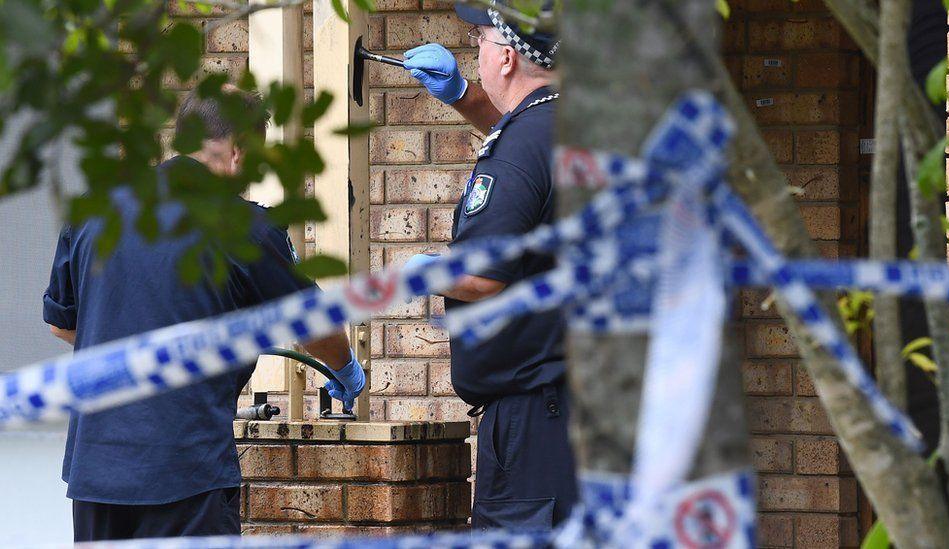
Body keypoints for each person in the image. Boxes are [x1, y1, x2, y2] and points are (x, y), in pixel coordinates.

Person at [43, 85, 365, 542]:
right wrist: (346, 369)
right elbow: (314, 326)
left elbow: (62, 323)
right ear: (237, 152)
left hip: (98, 473)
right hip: (186, 472)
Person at [401, 3, 577, 531]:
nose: (472, 49)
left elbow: (482, 276)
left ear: (504, 57)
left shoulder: (521, 147)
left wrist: (421, 273)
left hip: (536, 425)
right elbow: (530, 159)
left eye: (478, 38)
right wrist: (465, 99)